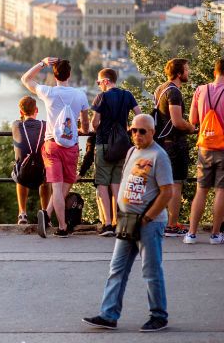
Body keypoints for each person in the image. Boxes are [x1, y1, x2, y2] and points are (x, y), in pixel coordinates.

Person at [83, 114, 173, 333]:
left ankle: (159, 316)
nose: (137, 135)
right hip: (127, 221)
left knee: (151, 270)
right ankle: (108, 315)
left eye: (142, 131)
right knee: (117, 269)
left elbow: (167, 191)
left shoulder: (159, 156)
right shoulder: (132, 151)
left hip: (148, 223)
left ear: (152, 132)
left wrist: (148, 217)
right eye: (133, 130)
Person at [20, 57, 90, 238]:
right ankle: (54, 219)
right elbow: (85, 125)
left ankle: (59, 224)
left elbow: (25, 79)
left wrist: (42, 63)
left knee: (57, 188)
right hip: (71, 146)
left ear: (54, 74)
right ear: (70, 74)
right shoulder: (80, 94)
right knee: (67, 184)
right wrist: (81, 129)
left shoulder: (48, 92)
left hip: (52, 145)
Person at [91, 68, 141, 237]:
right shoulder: (127, 95)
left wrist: (99, 129)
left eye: (99, 82)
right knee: (117, 183)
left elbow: (94, 122)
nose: (98, 86)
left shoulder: (102, 97)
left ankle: (107, 224)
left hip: (104, 144)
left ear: (106, 81)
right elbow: (139, 116)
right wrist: (128, 130)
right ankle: (118, 222)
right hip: (122, 145)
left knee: (103, 184)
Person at [153, 58, 195, 237]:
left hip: (161, 143)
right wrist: (191, 127)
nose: (189, 72)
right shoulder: (174, 92)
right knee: (176, 184)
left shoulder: (160, 88)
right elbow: (177, 121)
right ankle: (172, 225)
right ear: (179, 73)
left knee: (162, 184)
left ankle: (159, 222)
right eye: (186, 69)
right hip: (174, 144)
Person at [184, 58, 224, 244]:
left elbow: (193, 120)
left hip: (205, 146)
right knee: (221, 191)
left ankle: (191, 233)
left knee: (201, 190)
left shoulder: (201, 90)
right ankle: (215, 234)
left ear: (215, 71)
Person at [11, 96, 50, 224]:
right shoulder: (45, 125)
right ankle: (45, 213)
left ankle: (22, 213)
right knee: (46, 179)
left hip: (24, 173)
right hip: (41, 171)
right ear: (36, 110)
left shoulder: (16, 125)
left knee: (19, 169)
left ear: (21, 112)